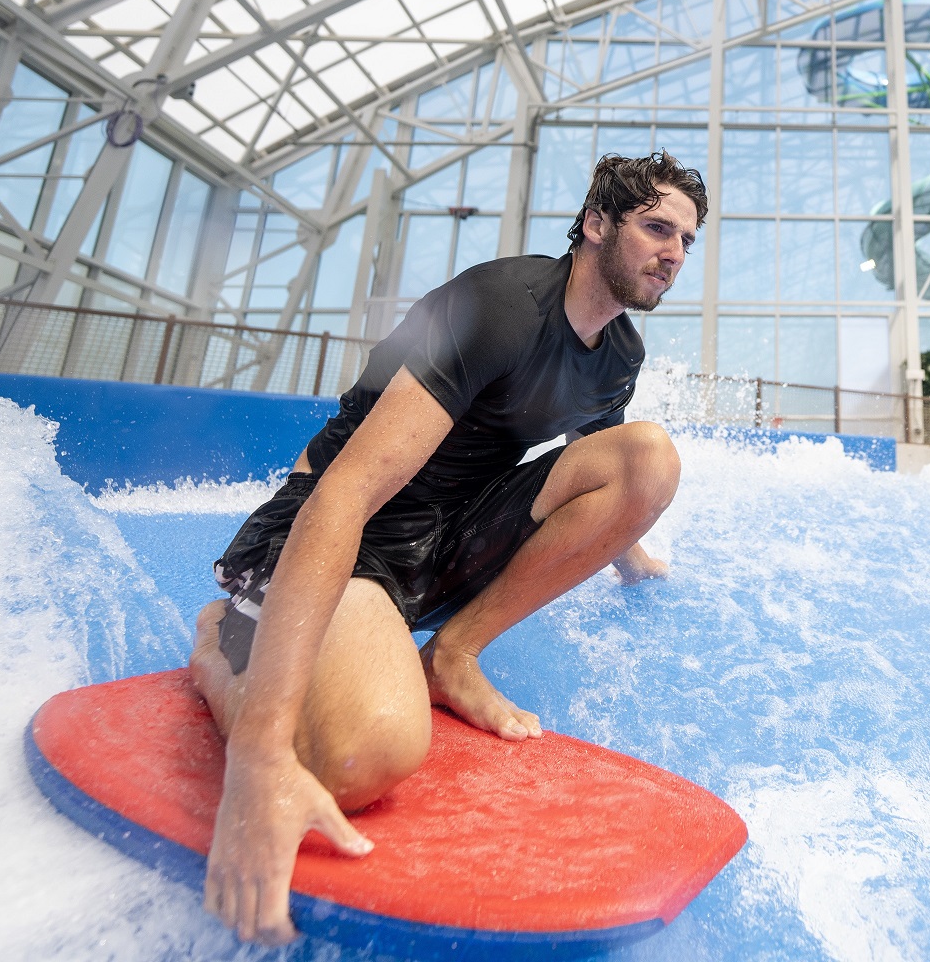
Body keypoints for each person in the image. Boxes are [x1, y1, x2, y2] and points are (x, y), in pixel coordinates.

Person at [188, 152, 706, 945]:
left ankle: (451, 656)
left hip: (451, 538)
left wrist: (632, 549)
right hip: (345, 529)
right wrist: (257, 756)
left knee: (653, 458)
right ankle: (223, 644)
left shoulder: (618, 357)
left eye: (686, 241)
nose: (672, 253)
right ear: (598, 224)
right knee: (365, 758)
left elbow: (604, 463)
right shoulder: (496, 306)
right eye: (656, 227)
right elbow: (345, 494)